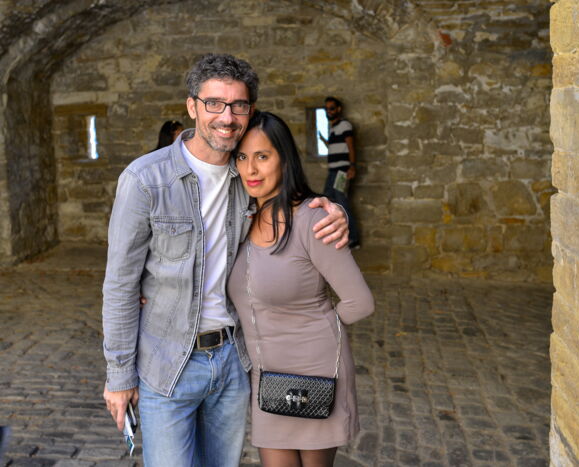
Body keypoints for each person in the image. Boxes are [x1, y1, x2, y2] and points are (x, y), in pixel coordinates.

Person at [101, 54, 349, 467]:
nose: (227, 117)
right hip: (167, 363)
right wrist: (119, 375)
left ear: (250, 109)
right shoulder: (145, 180)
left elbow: (294, 202)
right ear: (192, 106)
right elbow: (120, 285)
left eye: (238, 105)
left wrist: (333, 210)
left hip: (234, 361)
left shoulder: (247, 177)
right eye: (214, 103)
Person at [227, 111, 374, 467]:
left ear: (284, 159)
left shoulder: (312, 220)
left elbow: (359, 302)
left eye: (263, 156)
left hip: (315, 373)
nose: (251, 169)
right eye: (242, 157)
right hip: (266, 376)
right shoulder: (240, 218)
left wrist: (310, 326)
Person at [319, 96, 360, 249]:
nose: (328, 111)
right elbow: (335, 146)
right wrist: (324, 140)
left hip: (342, 171)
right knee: (328, 201)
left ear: (338, 109)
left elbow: (351, 146)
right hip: (332, 172)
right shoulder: (333, 128)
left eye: (331, 108)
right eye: (326, 109)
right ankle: (336, 236)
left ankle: (353, 239)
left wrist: (352, 166)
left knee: (342, 203)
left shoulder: (344, 125)